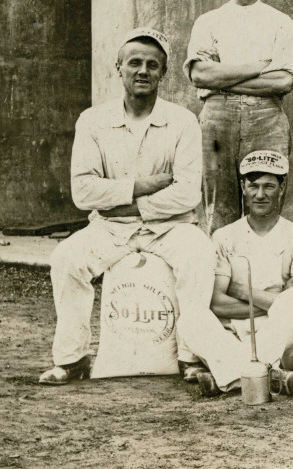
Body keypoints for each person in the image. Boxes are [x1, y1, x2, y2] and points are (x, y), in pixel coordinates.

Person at [39, 28, 217, 385]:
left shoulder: (183, 121)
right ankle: (71, 358)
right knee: (67, 259)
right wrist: (142, 186)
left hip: (169, 227)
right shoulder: (92, 120)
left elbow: (187, 195)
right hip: (109, 229)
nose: (143, 71)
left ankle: (191, 357)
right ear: (117, 67)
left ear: (164, 73)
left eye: (153, 65)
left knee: (199, 253)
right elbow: (83, 192)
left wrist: (124, 203)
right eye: (134, 63)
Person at [179, 150, 293, 397]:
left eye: (269, 186)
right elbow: (218, 303)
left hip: (283, 344)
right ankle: (267, 377)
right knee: (191, 318)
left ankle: (230, 375)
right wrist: (277, 299)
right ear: (243, 187)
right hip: (233, 335)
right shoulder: (223, 236)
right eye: (253, 186)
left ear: (282, 188)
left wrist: (242, 291)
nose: (260, 194)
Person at [185, 0, 293, 233]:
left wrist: (222, 79)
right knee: (219, 209)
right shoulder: (208, 21)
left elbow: (284, 80)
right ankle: (221, 278)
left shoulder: (280, 21)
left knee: (265, 203)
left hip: (267, 117)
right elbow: (199, 74)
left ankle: (264, 279)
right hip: (217, 117)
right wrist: (257, 68)